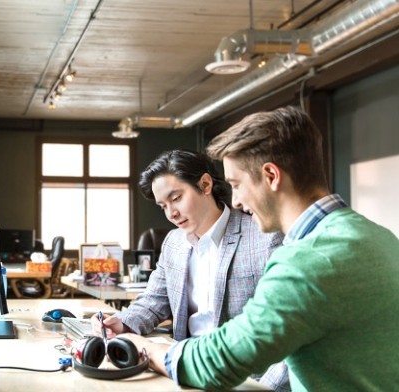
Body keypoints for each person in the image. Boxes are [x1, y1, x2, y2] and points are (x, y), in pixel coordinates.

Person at [121, 106, 399, 390]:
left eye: (237, 185)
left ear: (271, 176)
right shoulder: (379, 236)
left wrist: (144, 348)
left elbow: (220, 360)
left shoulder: (308, 260)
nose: (237, 201)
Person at [90, 149, 289, 390]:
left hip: (243, 379)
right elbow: (154, 301)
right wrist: (121, 323)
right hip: (183, 368)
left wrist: (264, 389)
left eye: (176, 198)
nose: (171, 214)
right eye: (163, 205)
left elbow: (287, 335)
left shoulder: (264, 237)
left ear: (205, 185)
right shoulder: (174, 242)